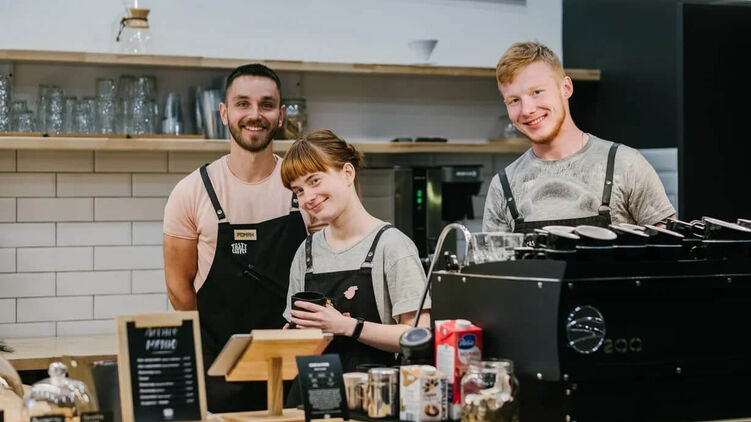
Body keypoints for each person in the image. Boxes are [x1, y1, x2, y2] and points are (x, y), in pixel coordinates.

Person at [163, 63, 322, 413]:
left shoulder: (305, 190)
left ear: (281, 115)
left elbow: (327, 271)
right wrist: (207, 347)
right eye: (243, 104)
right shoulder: (192, 191)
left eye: (266, 105)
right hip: (219, 369)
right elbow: (177, 286)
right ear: (224, 113)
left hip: (293, 366)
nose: (255, 115)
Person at [280, 129, 431, 375]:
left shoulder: (392, 245)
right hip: (316, 390)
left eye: (314, 181)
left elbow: (418, 335)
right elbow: (297, 332)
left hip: (375, 391)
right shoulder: (305, 252)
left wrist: (347, 325)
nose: (308, 198)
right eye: (299, 190)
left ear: (347, 173)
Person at [483, 42, 676, 233]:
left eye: (537, 92)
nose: (527, 110)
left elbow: (668, 247)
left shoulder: (625, 165)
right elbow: (494, 254)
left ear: (566, 88)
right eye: (514, 100)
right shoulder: (503, 186)